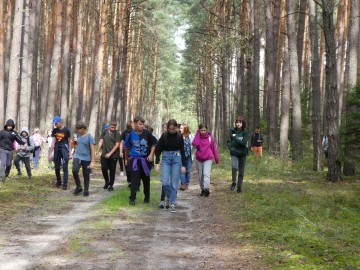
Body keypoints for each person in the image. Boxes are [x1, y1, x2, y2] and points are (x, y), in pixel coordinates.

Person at [124, 116, 156, 205]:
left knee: (146, 179)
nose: (142, 126)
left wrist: (151, 154)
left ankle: (147, 197)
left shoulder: (147, 133)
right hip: (134, 160)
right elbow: (126, 147)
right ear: (135, 124)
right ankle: (132, 198)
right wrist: (127, 159)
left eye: (143, 124)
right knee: (134, 180)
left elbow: (154, 144)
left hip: (145, 160)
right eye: (140, 124)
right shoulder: (130, 134)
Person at [155, 119, 186, 213]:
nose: (172, 131)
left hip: (177, 159)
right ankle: (168, 197)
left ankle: (172, 203)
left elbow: (182, 151)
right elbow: (158, 149)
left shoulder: (179, 136)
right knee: (165, 182)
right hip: (166, 159)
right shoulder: (164, 136)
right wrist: (157, 163)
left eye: (173, 129)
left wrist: (183, 165)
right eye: (170, 129)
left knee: (174, 183)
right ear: (167, 128)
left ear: (176, 128)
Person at [192, 123, 220, 197]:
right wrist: (198, 134)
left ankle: (206, 189)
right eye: (201, 130)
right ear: (199, 130)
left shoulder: (209, 137)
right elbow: (195, 144)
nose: (203, 132)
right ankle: (202, 189)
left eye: (204, 130)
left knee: (206, 174)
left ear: (206, 130)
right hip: (199, 159)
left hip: (208, 158)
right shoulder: (197, 136)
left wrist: (217, 160)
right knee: (200, 176)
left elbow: (214, 148)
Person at [72, 121, 95, 197]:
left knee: (86, 174)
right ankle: (79, 186)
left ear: (83, 129)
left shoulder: (89, 137)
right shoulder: (77, 136)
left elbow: (92, 150)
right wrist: (74, 141)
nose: (78, 131)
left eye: (79, 129)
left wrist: (92, 162)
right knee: (74, 171)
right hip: (77, 156)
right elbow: (75, 146)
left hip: (86, 158)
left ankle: (86, 189)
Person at [48, 116, 72, 190]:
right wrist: (50, 153)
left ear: (60, 122)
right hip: (57, 148)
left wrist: (70, 153)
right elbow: (53, 142)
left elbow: (69, 141)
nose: (55, 125)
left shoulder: (66, 130)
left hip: (64, 148)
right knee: (57, 167)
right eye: (54, 124)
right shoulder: (55, 130)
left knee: (65, 167)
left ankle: (65, 183)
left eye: (56, 123)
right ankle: (59, 181)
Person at [97, 120, 121, 191]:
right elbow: (101, 141)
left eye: (114, 127)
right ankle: (107, 181)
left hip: (114, 155)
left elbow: (117, 144)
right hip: (104, 154)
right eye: (112, 127)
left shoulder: (117, 133)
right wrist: (97, 151)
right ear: (109, 126)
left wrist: (110, 153)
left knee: (112, 170)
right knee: (104, 168)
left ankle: (111, 185)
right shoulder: (104, 132)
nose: (113, 128)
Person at [227, 116, 248, 193]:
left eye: (240, 122)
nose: (238, 124)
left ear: (243, 123)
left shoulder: (245, 132)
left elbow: (243, 143)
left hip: (243, 153)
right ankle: (233, 182)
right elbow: (228, 141)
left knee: (241, 171)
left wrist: (235, 138)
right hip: (234, 153)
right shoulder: (232, 131)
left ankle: (239, 188)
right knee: (234, 167)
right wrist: (231, 148)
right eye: (237, 122)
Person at [179, 123, 194, 191]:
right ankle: (183, 184)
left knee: (188, 171)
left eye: (182, 128)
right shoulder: (179, 136)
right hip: (181, 157)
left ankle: (186, 184)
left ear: (186, 129)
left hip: (189, 157)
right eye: (180, 128)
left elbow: (194, 145)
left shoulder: (191, 136)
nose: (180, 129)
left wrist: (194, 152)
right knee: (182, 170)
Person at [120, 121, 134, 187]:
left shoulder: (134, 132)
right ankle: (129, 181)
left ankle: (133, 181)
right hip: (126, 152)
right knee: (127, 167)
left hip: (134, 152)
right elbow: (122, 142)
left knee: (133, 167)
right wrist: (120, 151)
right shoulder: (124, 132)